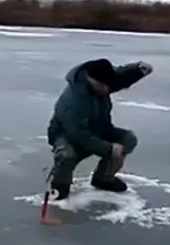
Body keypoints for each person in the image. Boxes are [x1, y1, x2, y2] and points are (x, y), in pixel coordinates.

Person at [46, 58, 153, 200]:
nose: (106, 89)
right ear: (90, 79)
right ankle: (59, 190)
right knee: (67, 156)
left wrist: (137, 70)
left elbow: (120, 75)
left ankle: (103, 178)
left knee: (128, 139)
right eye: (102, 85)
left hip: (98, 129)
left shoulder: (101, 82)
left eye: (108, 85)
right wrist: (108, 148)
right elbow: (77, 134)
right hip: (66, 135)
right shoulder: (74, 100)